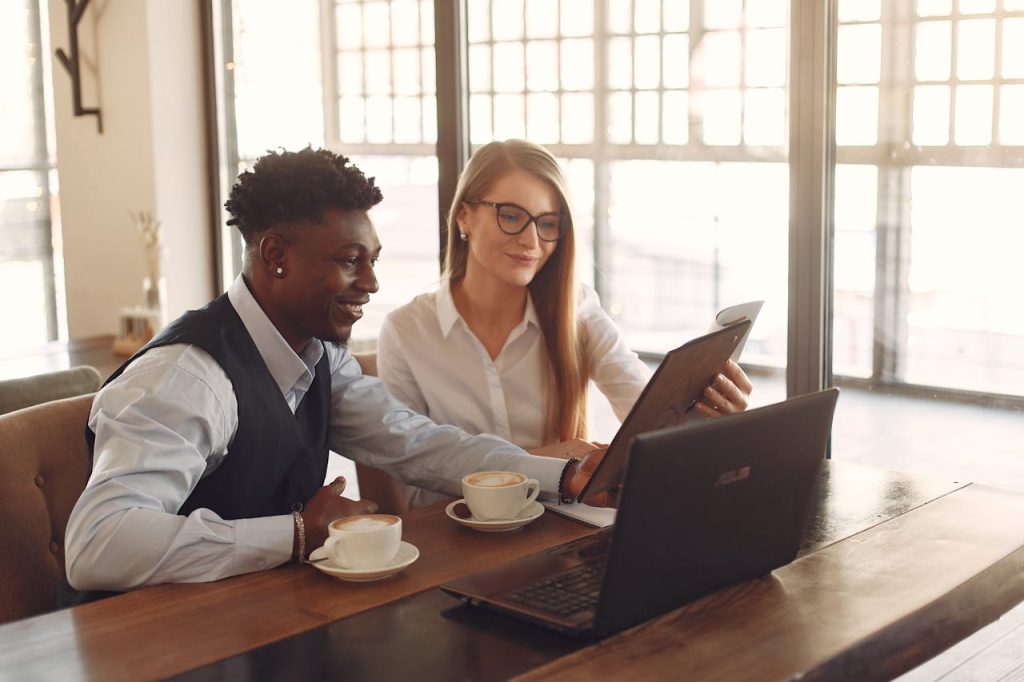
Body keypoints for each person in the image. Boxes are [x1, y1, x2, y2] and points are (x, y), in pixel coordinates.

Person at [61, 147, 610, 603]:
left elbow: (417, 444)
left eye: (373, 259)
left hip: (262, 615)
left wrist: (563, 477)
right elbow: (97, 545)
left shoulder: (319, 355)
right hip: (154, 643)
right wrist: (296, 534)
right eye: (351, 260)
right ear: (275, 254)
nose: (370, 283)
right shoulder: (188, 378)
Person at [377, 139, 752, 509]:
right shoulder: (406, 332)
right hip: (458, 540)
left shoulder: (578, 309)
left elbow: (647, 414)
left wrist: (711, 420)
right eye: (510, 216)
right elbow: (415, 485)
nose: (531, 240)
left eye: (548, 223)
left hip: (560, 531)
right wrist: (544, 463)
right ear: (464, 216)